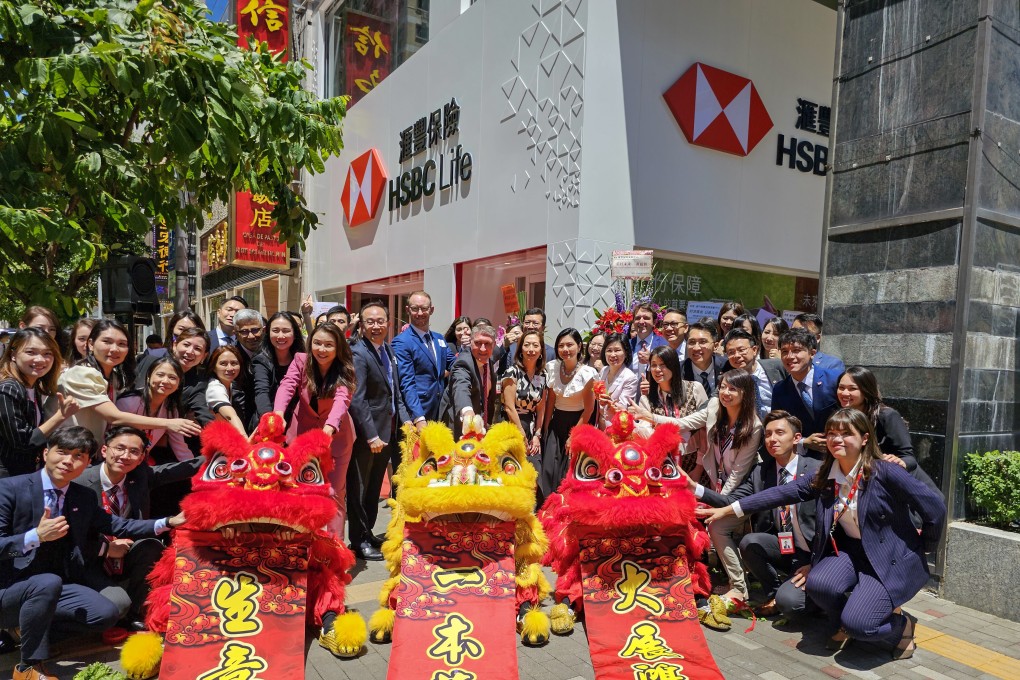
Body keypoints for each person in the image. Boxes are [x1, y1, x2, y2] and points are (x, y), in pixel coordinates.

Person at [698, 409, 947, 658]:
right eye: (831, 433)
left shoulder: (885, 472)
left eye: (846, 433)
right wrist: (728, 510)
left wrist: (923, 545)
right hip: (851, 552)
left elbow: (934, 506)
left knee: (862, 625)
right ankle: (844, 622)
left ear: (864, 438)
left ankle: (900, 627)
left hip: (886, 557)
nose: (837, 439)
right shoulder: (826, 475)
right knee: (819, 584)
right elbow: (777, 494)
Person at [0, 427, 185, 680]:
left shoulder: (82, 495)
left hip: (56, 585)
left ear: (88, 462)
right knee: (47, 582)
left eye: (78, 456)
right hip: (9, 586)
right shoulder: (8, 488)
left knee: (106, 613)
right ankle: (28, 668)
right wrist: (35, 536)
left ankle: (25, 629)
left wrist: (170, 521)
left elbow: (119, 526)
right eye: (62, 452)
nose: (68, 461)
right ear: (45, 453)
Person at [686, 411, 820, 618]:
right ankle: (775, 593)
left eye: (779, 433)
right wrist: (694, 487)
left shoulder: (815, 470)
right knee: (750, 542)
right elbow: (734, 501)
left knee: (792, 606)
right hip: (785, 547)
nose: (772, 439)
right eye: (767, 434)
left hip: (816, 553)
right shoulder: (761, 471)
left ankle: (811, 597)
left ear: (796, 438)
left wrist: (817, 563)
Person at [72, 426, 202, 628]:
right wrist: (105, 549)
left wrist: (229, 453)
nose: (125, 456)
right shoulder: (79, 482)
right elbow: (71, 540)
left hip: (126, 551)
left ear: (142, 457)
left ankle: (136, 612)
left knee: (151, 545)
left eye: (134, 451)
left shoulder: (140, 475)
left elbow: (181, 469)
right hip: (90, 558)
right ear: (105, 451)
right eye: (120, 448)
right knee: (115, 606)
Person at [663, 368, 762, 602]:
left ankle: (739, 588)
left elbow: (738, 473)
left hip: (743, 487)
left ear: (746, 394)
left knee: (718, 526)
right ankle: (729, 577)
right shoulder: (715, 407)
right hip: (719, 484)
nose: (725, 392)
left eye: (733, 389)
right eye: (723, 386)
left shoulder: (753, 426)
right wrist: (647, 417)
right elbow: (681, 423)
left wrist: (718, 505)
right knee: (715, 523)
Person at [57, 320, 202, 444]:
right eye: (107, 342)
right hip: (67, 453)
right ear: (91, 344)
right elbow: (114, 417)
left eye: (121, 344)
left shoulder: (114, 376)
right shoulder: (81, 373)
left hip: (92, 454)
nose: (114, 349)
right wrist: (169, 423)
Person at [274, 322, 356, 538]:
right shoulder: (301, 360)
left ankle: (334, 549)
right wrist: (278, 413)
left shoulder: (346, 367)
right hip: (301, 434)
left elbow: (342, 399)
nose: (322, 349)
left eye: (329, 345)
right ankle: (301, 542)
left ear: (338, 348)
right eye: (317, 343)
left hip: (335, 438)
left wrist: (330, 427)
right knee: (299, 489)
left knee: (334, 492)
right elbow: (288, 384)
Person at [347, 301, 407, 561]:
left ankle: (368, 532)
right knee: (359, 488)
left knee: (373, 488)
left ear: (388, 324)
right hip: (367, 435)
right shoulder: (359, 353)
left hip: (387, 432)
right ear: (361, 325)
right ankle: (357, 542)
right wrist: (371, 434)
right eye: (369, 322)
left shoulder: (387, 350)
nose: (375, 326)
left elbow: (393, 392)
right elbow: (357, 399)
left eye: (380, 321)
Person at [0, 329, 80, 478]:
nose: (40, 360)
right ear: (13, 355)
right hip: (8, 478)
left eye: (47, 354)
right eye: (31, 352)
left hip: (27, 472)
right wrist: (60, 416)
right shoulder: (8, 389)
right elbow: (24, 442)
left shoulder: (32, 386)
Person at [538, 328, 597, 508]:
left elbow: (588, 410)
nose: (565, 349)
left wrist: (574, 435)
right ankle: (546, 509)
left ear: (579, 346)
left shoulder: (588, 373)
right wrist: (546, 429)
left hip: (577, 423)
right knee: (548, 469)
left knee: (567, 471)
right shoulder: (552, 367)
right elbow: (550, 401)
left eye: (570, 345)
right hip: (556, 423)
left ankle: (564, 510)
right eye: (561, 345)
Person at [627, 345, 707, 472]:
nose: (657, 369)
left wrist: (699, 467)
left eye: (663, 364)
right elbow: (646, 434)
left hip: (694, 463)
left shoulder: (695, 388)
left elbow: (705, 430)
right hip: (663, 464)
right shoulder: (646, 399)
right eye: (653, 365)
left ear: (673, 365)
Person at [392, 291, 455, 432]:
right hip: (418, 416)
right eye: (415, 308)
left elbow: (454, 364)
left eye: (424, 308)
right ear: (407, 310)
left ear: (431, 310)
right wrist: (418, 417)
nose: (420, 313)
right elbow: (406, 382)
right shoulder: (402, 342)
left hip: (441, 411)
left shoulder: (439, 339)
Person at [771, 327, 841, 452]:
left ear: (812, 353)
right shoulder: (780, 389)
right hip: (804, 458)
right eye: (785, 351)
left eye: (796, 350)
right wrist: (803, 441)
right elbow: (777, 425)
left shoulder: (833, 380)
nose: (790, 356)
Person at [115, 357, 192, 461]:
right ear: (148, 377)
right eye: (160, 375)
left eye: (172, 378)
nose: (165, 381)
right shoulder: (128, 403)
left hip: (141, 461)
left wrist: (198, 471)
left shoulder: (171, 410)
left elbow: (180, 448)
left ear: (179, 384)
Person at [444, 325, 499, 439]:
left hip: (481, 427)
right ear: (470, 342)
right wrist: (467, 412)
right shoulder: (463, 362)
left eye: (487, 343)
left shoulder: (490, 360)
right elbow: (460, 387)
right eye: (478, 343)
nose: (482, 349)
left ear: (494, 345)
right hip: (460, 427)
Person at [500, 330, 547, 459]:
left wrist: (537, 434)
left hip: (531, 427)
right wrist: (521, 433)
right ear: (520, 349)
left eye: (535, 345)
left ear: (541, 351)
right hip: (512, 425)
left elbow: (541, 408)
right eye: (526, 345)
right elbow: (509, 407)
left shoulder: (543, 375)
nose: (531, 349)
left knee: (535, 471)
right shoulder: (512, 372)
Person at [722, 329, 786, 421]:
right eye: (731, 352)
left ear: (754, 350)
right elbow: (712, 401)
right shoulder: (728, 379)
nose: (737, 355)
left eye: (741, 350)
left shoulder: (778, 366)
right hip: (752, 430)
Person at [252, 312, 305, 420]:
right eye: (275, 331)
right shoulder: (261, 360)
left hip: (298, 422)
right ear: (267, 332)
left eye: (286, 331)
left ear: (295, 333)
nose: (281, 336)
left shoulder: (302, 359)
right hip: (270, 421)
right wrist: (268, 417)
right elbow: (261, 391)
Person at [595, 333, 639, 429]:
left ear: (626, 352)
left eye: (617, 350)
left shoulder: (630, 377)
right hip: (599, 425)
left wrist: (607, 402)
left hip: (616, 428)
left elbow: (623, 407)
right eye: (609, 350)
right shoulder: (604, 370)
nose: (613, 354)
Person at [231, 308, 265, 428]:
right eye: (244, 331)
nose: (251, 336)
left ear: (263, 329)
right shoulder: (230, 355)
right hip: (241, 419)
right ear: (235, 333)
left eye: (255, 330)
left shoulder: (271, 350)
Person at [496, 308, 554, 375]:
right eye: (527, 323)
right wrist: (504, 346)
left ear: (543, 328)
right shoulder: (511, 349)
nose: (530, 326)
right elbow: (499, 372)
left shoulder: (551, 353)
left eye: (535, 323)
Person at [205, 346, 247, 436]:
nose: (230, 368)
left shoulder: (230, 384)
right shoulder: (214, 387)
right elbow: (230, 416)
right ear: (213, 367)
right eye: (223, 364)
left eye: (234, 363)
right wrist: (244, 439)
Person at [682, 322, 728, 397]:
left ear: (715, 346)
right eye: (692, 342)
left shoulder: (727, 367)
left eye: (703, 342)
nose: (696, 348)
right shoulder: (677, 370)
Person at [628, 303, 667, 374]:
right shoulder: (627, 345)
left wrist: (651, 360)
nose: (641, 322)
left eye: (646, 318)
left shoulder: (664, 345)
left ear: (654, 322)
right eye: (637, 318)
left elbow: (670, 370)